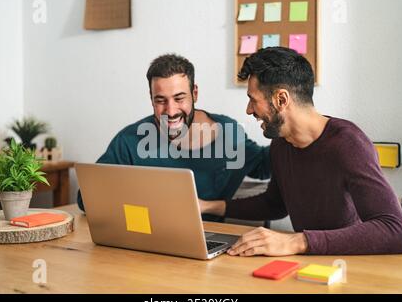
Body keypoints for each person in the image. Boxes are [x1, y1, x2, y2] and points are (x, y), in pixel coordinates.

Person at [199, 47, 402, 255]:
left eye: (253, 100)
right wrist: (207, 206)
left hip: (350, 265)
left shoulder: (348, 143)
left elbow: (395, 231)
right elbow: (274, 205)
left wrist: (297, 241)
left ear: (281, 99)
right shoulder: (281, 144)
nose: (249, 109)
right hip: (310, 264)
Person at [77, 54, 271, 221]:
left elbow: (264, 167)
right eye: (160, 100)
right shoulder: (130, 140)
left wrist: (289, 126)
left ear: (194, 94)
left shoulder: (229, 134)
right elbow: (86, 199)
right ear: (151, 98)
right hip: (143, 242)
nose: (170, 111)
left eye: (179, 99)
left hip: (207, 244)